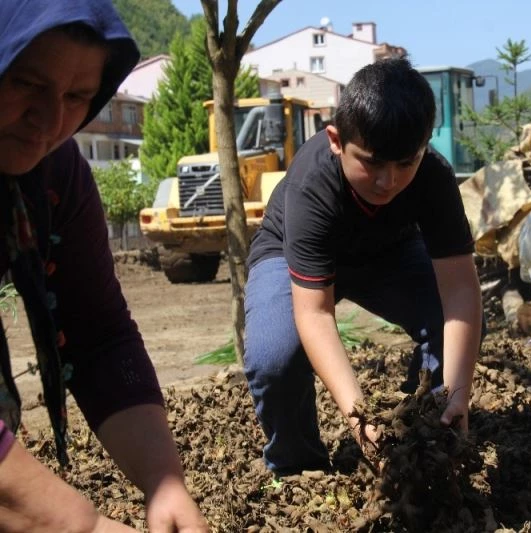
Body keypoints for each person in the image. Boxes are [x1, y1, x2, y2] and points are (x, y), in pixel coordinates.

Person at [0, 1, 208, 532]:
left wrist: (164, 482)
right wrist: (83, 525)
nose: (49, 121)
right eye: (25, 83)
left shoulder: (54, 172)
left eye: (75, 97)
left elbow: (98, 336)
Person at [244, 57, 484, 476]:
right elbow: (315, 313)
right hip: (290, 254)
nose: (387, 181)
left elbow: (461, 291)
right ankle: (297, 464)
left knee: (444, 320)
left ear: (424, 147)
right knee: (274, 356)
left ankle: (424, 428)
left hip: (388, 251)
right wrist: (360, 417)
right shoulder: (312, 183)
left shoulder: (433, 178)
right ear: (336, 140)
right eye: (371, 163)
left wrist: (458, 394)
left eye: (405, 163)